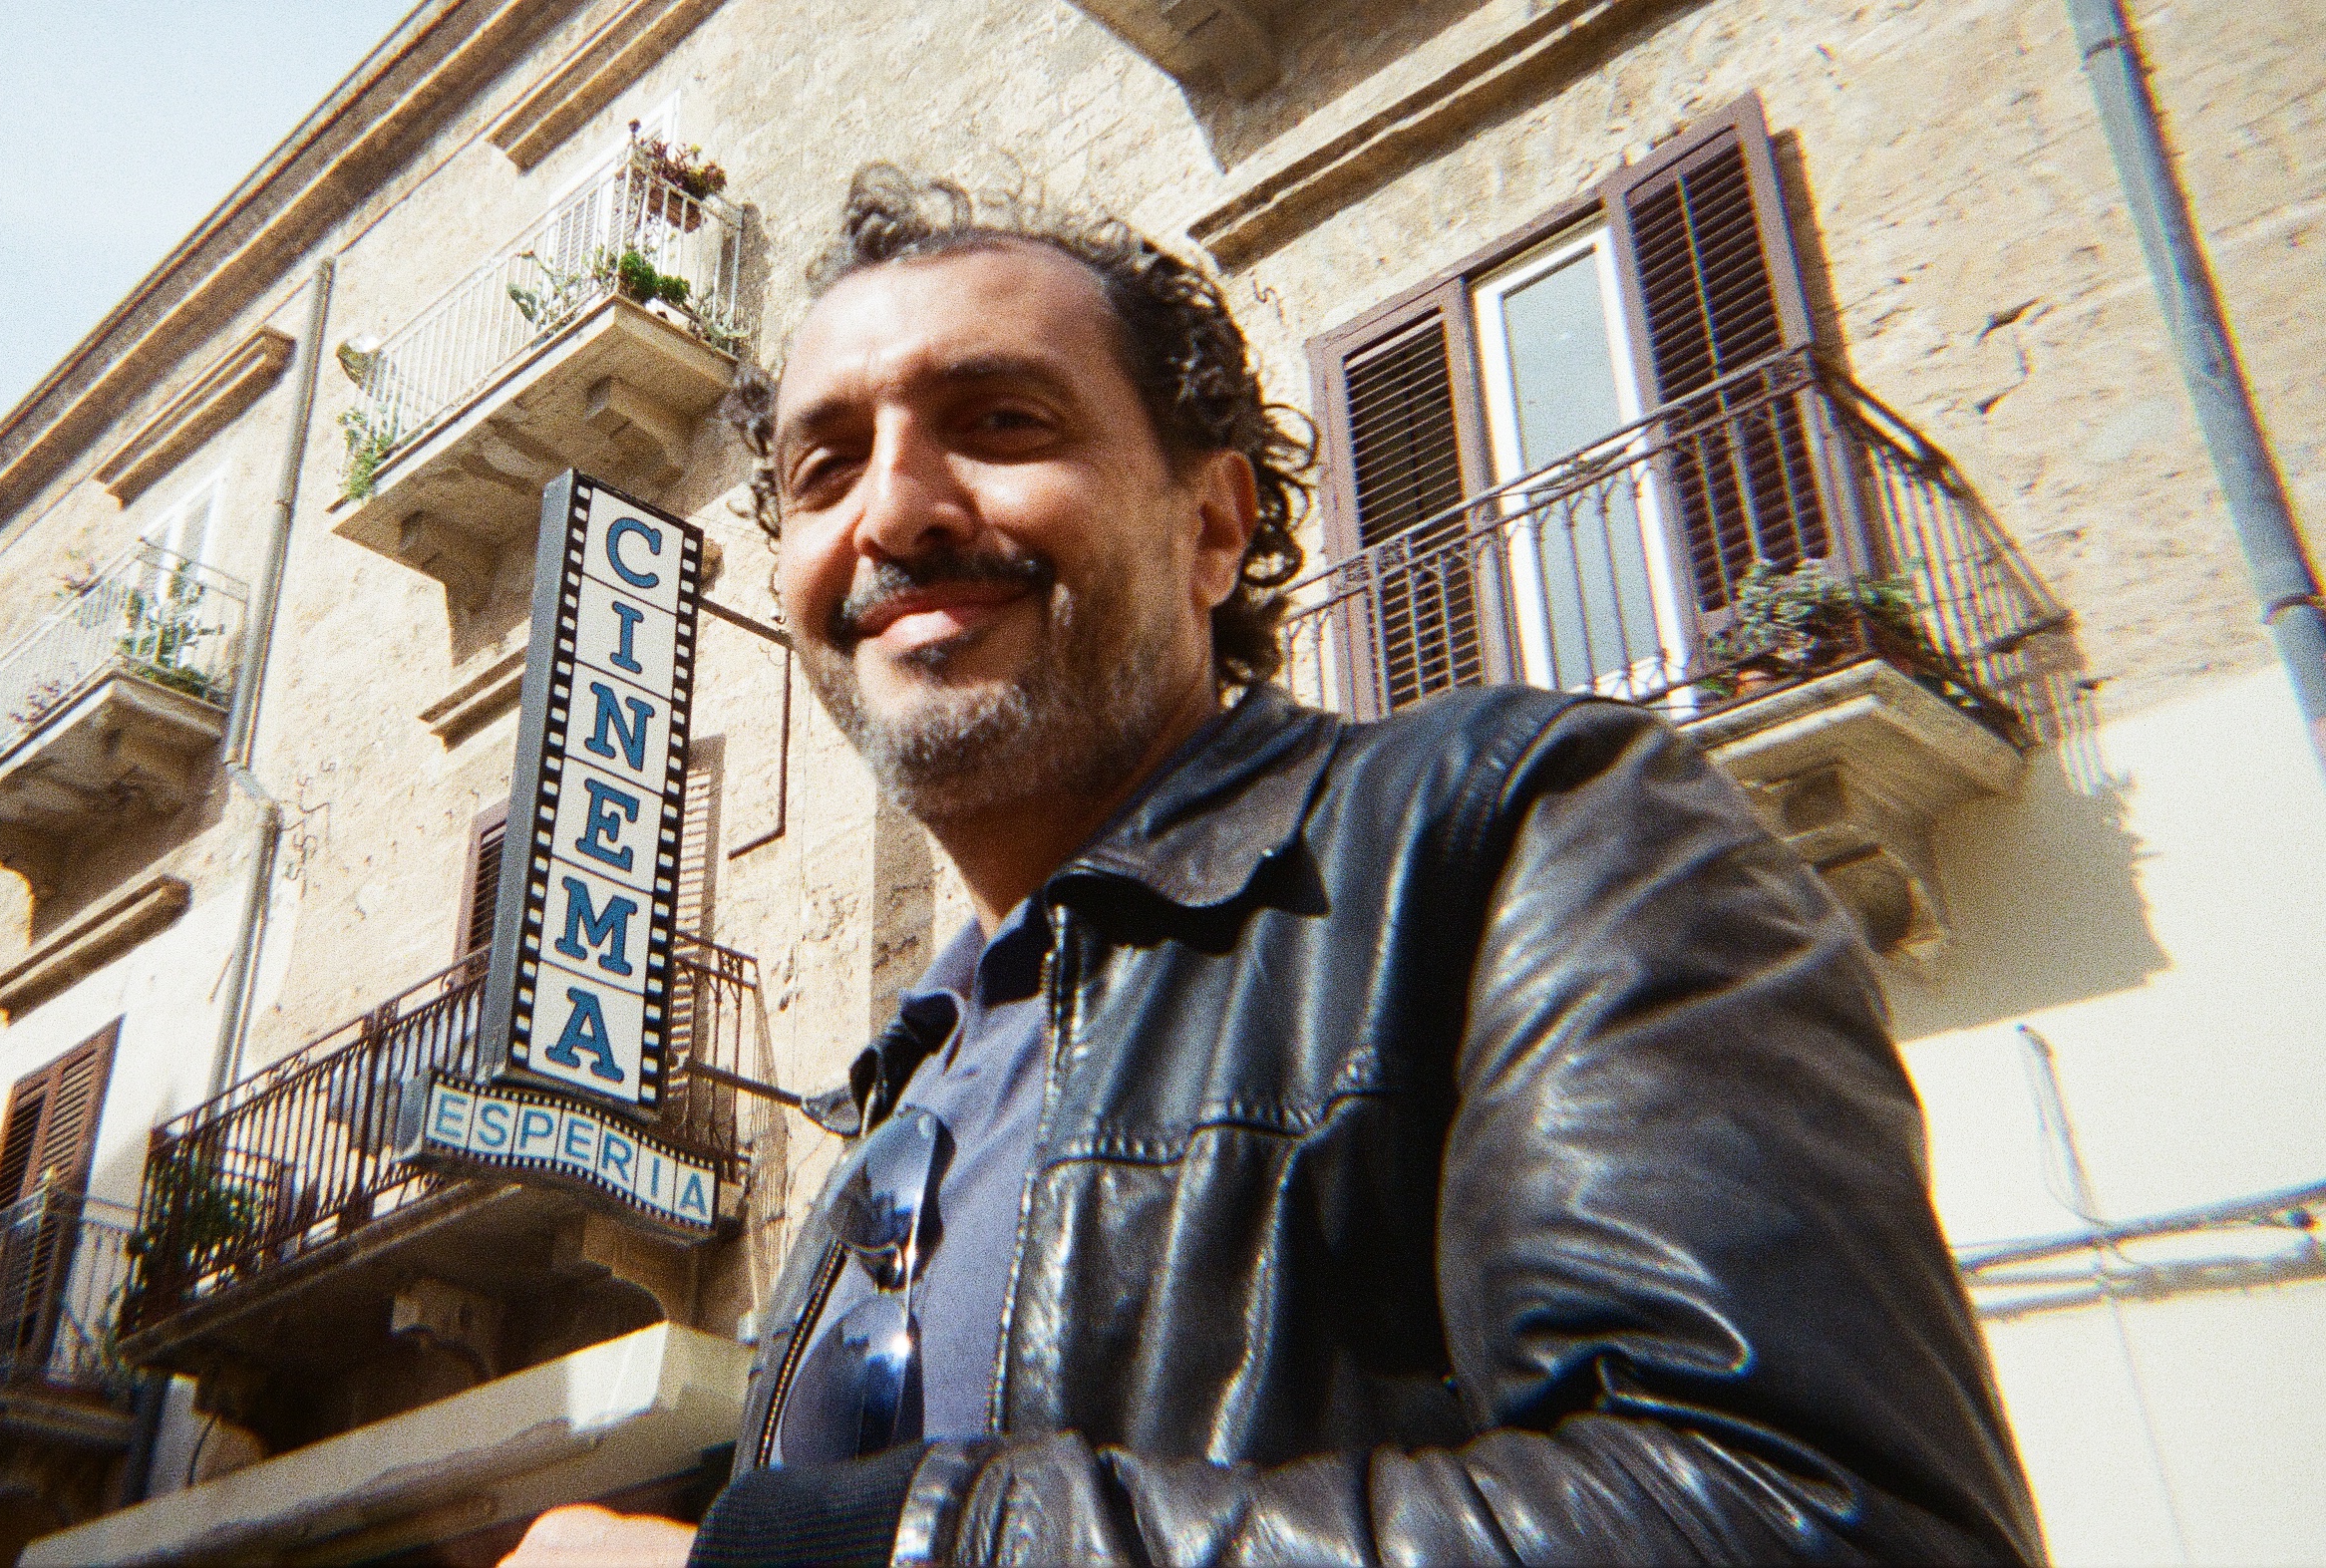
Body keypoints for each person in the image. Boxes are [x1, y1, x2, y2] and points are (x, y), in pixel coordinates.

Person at [509, 168, 2039, 1567]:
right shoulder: (900, 1096)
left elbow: (1815, 1518)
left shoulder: (1516, 834)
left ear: (1214, 526)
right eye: (825, 466)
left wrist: (834, 1557)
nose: (892, 510)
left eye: (1002, 422)